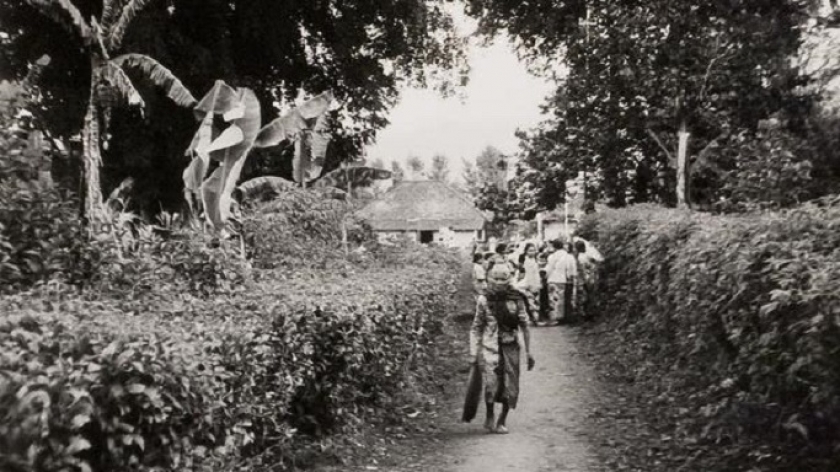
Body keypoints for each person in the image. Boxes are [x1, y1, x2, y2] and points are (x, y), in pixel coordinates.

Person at [470, 263, 535, 434]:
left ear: (509, 279)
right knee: (491, 383)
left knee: (510, 384)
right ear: (491, 279)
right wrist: (473, 351)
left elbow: (525, 325)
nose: (499, 282)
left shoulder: (517, 299)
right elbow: (476, 326)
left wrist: (529, 352)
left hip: (511, 346)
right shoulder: (484, 299)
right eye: (496, 278)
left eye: (503, 279)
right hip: (490, 347)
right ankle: (490, 414)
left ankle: (502, 420)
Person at [544, 238, 578, 325]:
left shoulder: (551, 257)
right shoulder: (568, 256)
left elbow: (548, 269)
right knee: (561, 300)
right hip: (562, 280)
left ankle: (554, 318)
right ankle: (561, 317)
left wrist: (545, 277)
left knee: (553, 300)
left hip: (552, 279)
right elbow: (571, 271)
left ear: (554, 246)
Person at [515, 243, 542, 326]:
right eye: (530, 251)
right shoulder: (525, 261)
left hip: (536, 283)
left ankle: (535, 319)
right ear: (526, 251)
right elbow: (527, 275)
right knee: (531, 303)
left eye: (533, 250)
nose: (532, 252)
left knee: (535, 303)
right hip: (529, 284)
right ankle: (534, 320)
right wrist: (531, 286)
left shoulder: (535, 260)